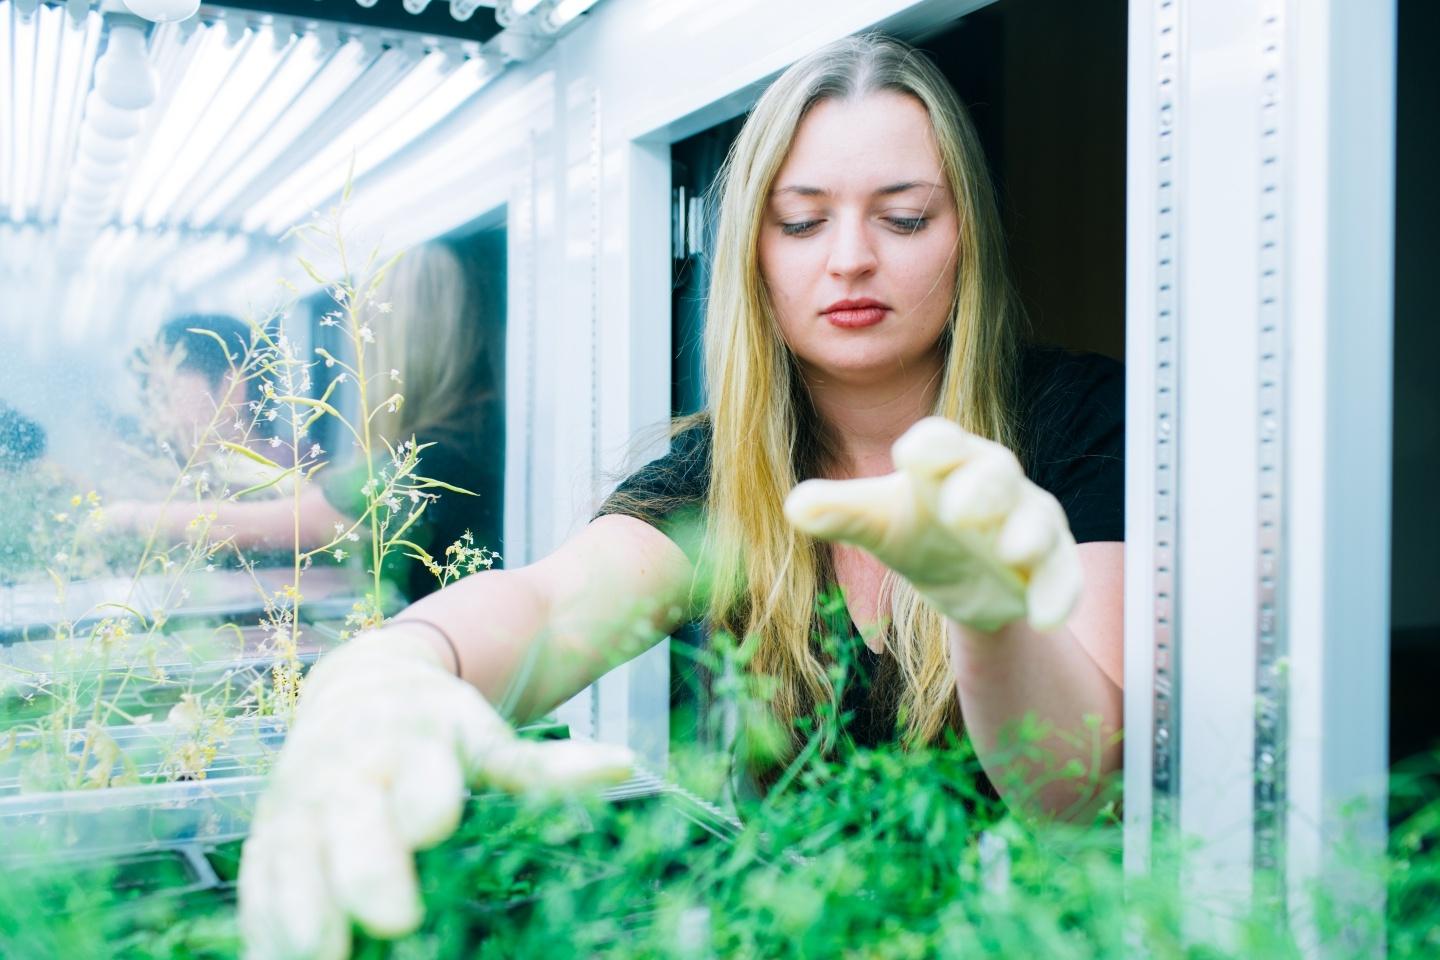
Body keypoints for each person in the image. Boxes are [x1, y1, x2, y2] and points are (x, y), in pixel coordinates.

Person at [238, 34, 1124, 959]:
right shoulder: (723, 474)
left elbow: (1075, 787)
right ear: (752, 252)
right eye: (801, 221)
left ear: (966, 236)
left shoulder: (1082, 424)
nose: (852, 258)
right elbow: (553, 602)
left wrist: (989, 617)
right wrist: (396, 668)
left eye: (903, 219)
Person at [106, 244, 503, 601]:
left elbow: (292, 522)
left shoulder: (423, 460)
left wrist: (128, 516)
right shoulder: (475, 439)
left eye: (365, 351)